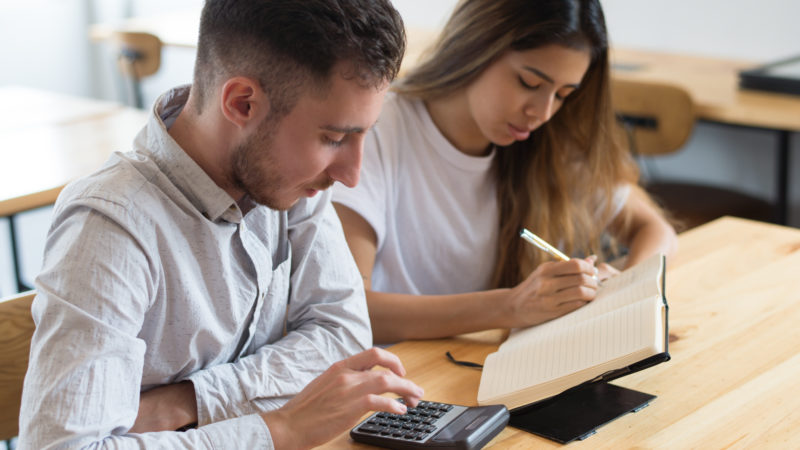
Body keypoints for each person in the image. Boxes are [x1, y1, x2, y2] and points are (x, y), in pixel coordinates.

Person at [19, 1, 423, 448]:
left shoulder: (291, 181)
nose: (351, 174)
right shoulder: (111, 227)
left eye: (363, 134)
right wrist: (280, 428)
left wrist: (184, 403)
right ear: (242, 103)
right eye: (333, 138)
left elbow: (344, 339)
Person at [332, 0, 678, 344]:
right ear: (476, 47)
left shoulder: (547, 143)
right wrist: (511, 306)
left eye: (563, 95)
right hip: (391, 378)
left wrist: (624, 290)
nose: (542, 112)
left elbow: (656, 230)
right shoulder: (377, 131)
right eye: (529, 82)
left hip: (473, 370)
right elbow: (350, 309)